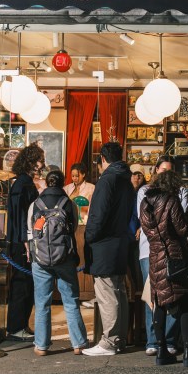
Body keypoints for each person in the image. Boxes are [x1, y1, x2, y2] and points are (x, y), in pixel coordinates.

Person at [82, 141, 137, 356]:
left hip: (105, 243)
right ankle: (119, 338)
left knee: (107, 294)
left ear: (103, 159)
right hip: (120, 241)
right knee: (118, 291)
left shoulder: (107, 180)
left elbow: (98, 214)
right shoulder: (126, 179)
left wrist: (90, 236)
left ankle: (110, 341)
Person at [141, 169, 188, 367]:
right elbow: (182, 229)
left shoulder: (145, 203)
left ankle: (161, 351)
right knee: (186, 303)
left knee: (159, 301)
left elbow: (149, 231)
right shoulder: (171, 201)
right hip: (175, 257)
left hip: (155, 256)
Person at [27, 169, 88, 356]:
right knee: (70, 301)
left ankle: (42, 345)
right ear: (63, 183)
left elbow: (31, 232)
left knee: (42, 302)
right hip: (65, 258)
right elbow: (73, 229)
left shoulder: (35, 204)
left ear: (46, 182)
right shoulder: (69, 204)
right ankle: (78, 344)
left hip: (40, 260)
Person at [136, 156, 188, 356]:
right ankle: (154, 340)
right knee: (153, 296)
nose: (166, 174)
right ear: (156, 170)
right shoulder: (144, 191)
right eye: (163, 169)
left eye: (170, 170)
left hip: (169, 251)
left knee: (175, 296)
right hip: (150, 250)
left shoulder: (180, 191)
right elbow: (181, 221)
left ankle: (167, 340)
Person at [6, 142, 45, 341]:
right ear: (31, 161)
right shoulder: (22, 184)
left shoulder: (23, 182)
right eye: (39, 160)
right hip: (21, 241)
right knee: (22, 284)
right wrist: (24, 242)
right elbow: (21, 216)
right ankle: (15, 327)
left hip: (23, 239)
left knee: (27, 283)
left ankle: (21, 324)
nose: (42, 164)